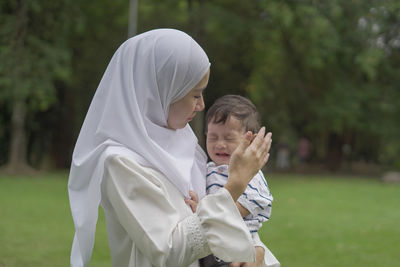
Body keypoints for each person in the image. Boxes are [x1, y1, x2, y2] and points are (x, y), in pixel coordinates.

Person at [68, 29, 272, 267]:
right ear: (160, 91)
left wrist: (257, 252)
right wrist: (235, 185)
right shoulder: (121, 162)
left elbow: (218, 218)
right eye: (195, 95)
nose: (201, 105)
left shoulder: (184, 142)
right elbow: (169, 251)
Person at [185, 95, 279, 267]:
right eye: (213, 137)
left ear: (250, 141)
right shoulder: (207, 169)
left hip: (236, 250)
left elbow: (254, 202)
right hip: (211, 247)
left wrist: (204, 211)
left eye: (229, 138)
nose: (220, 144)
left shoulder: (251, 172)